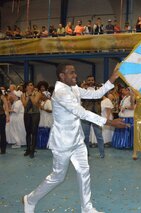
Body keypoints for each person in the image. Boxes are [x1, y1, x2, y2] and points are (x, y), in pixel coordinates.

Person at [22, 64, 126, 213]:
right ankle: (30, 199)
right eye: (71, 73)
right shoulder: (60, 93)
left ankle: (87, 208)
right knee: (58, 176)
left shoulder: (74, 88)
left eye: (75, 72)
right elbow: (82, 113)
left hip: (77, 140)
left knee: (84, 171)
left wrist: (111, 79)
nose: (75, 75)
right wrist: (110, 122)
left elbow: (95, 95)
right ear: (62, 76)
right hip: (62, 142)